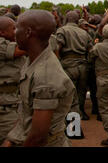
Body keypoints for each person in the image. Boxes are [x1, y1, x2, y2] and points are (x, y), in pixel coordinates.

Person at [5, 10, 76, 147]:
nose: (14, 32)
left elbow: (38, 138)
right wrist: (10, 140)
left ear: (28, 32)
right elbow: (26, 114)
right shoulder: (33, 60)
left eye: (17, 27)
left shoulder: (46, 76)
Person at [56, 11, 93, 121]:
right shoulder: (84, 33)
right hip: (83, 65)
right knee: (81, 92)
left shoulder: (62, 30)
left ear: (67, 19)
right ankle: (80, 112)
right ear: (77, 20)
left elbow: (58, 47)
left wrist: (57, 63)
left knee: (69, 93)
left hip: (68, 65)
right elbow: (91, 50)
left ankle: (73, 122)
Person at [0, 17, 27, 145]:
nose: (16, 31)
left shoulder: (11, 42)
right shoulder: (2, 45)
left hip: (12, 101)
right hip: (4, 107)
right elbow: (18, 50)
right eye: (13, 29)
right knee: (12, 139)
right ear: (2, 33)